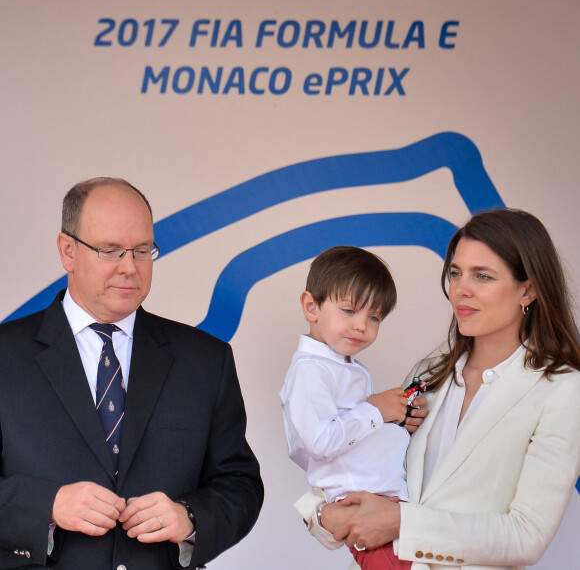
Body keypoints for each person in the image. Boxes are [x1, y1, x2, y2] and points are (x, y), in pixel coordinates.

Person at [0, 177, 263, 569]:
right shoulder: (6, 354)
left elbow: (240, 485)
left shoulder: (206, 359)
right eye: (110, 251)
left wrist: (189, 518)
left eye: (142, 250)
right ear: (67, 251)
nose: (130, 267)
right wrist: (48, 505)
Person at [307, 208, 580, 570]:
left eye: (482, 276)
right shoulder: (426, 376)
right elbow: (360, 469)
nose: (460, 289)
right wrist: (322, 515)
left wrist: (402, 521)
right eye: (455, 273)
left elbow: (525, 536)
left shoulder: (562, 390)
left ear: (527, 290)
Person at [280, 246, 414, 569]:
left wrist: (396, 423)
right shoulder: (310, 370)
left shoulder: (345, 366)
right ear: (311, 307)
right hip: (367, 511)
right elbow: (320, 444)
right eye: (350, 311)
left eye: (374, 317)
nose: (361, 326)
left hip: (390, 508)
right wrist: (376, 412)